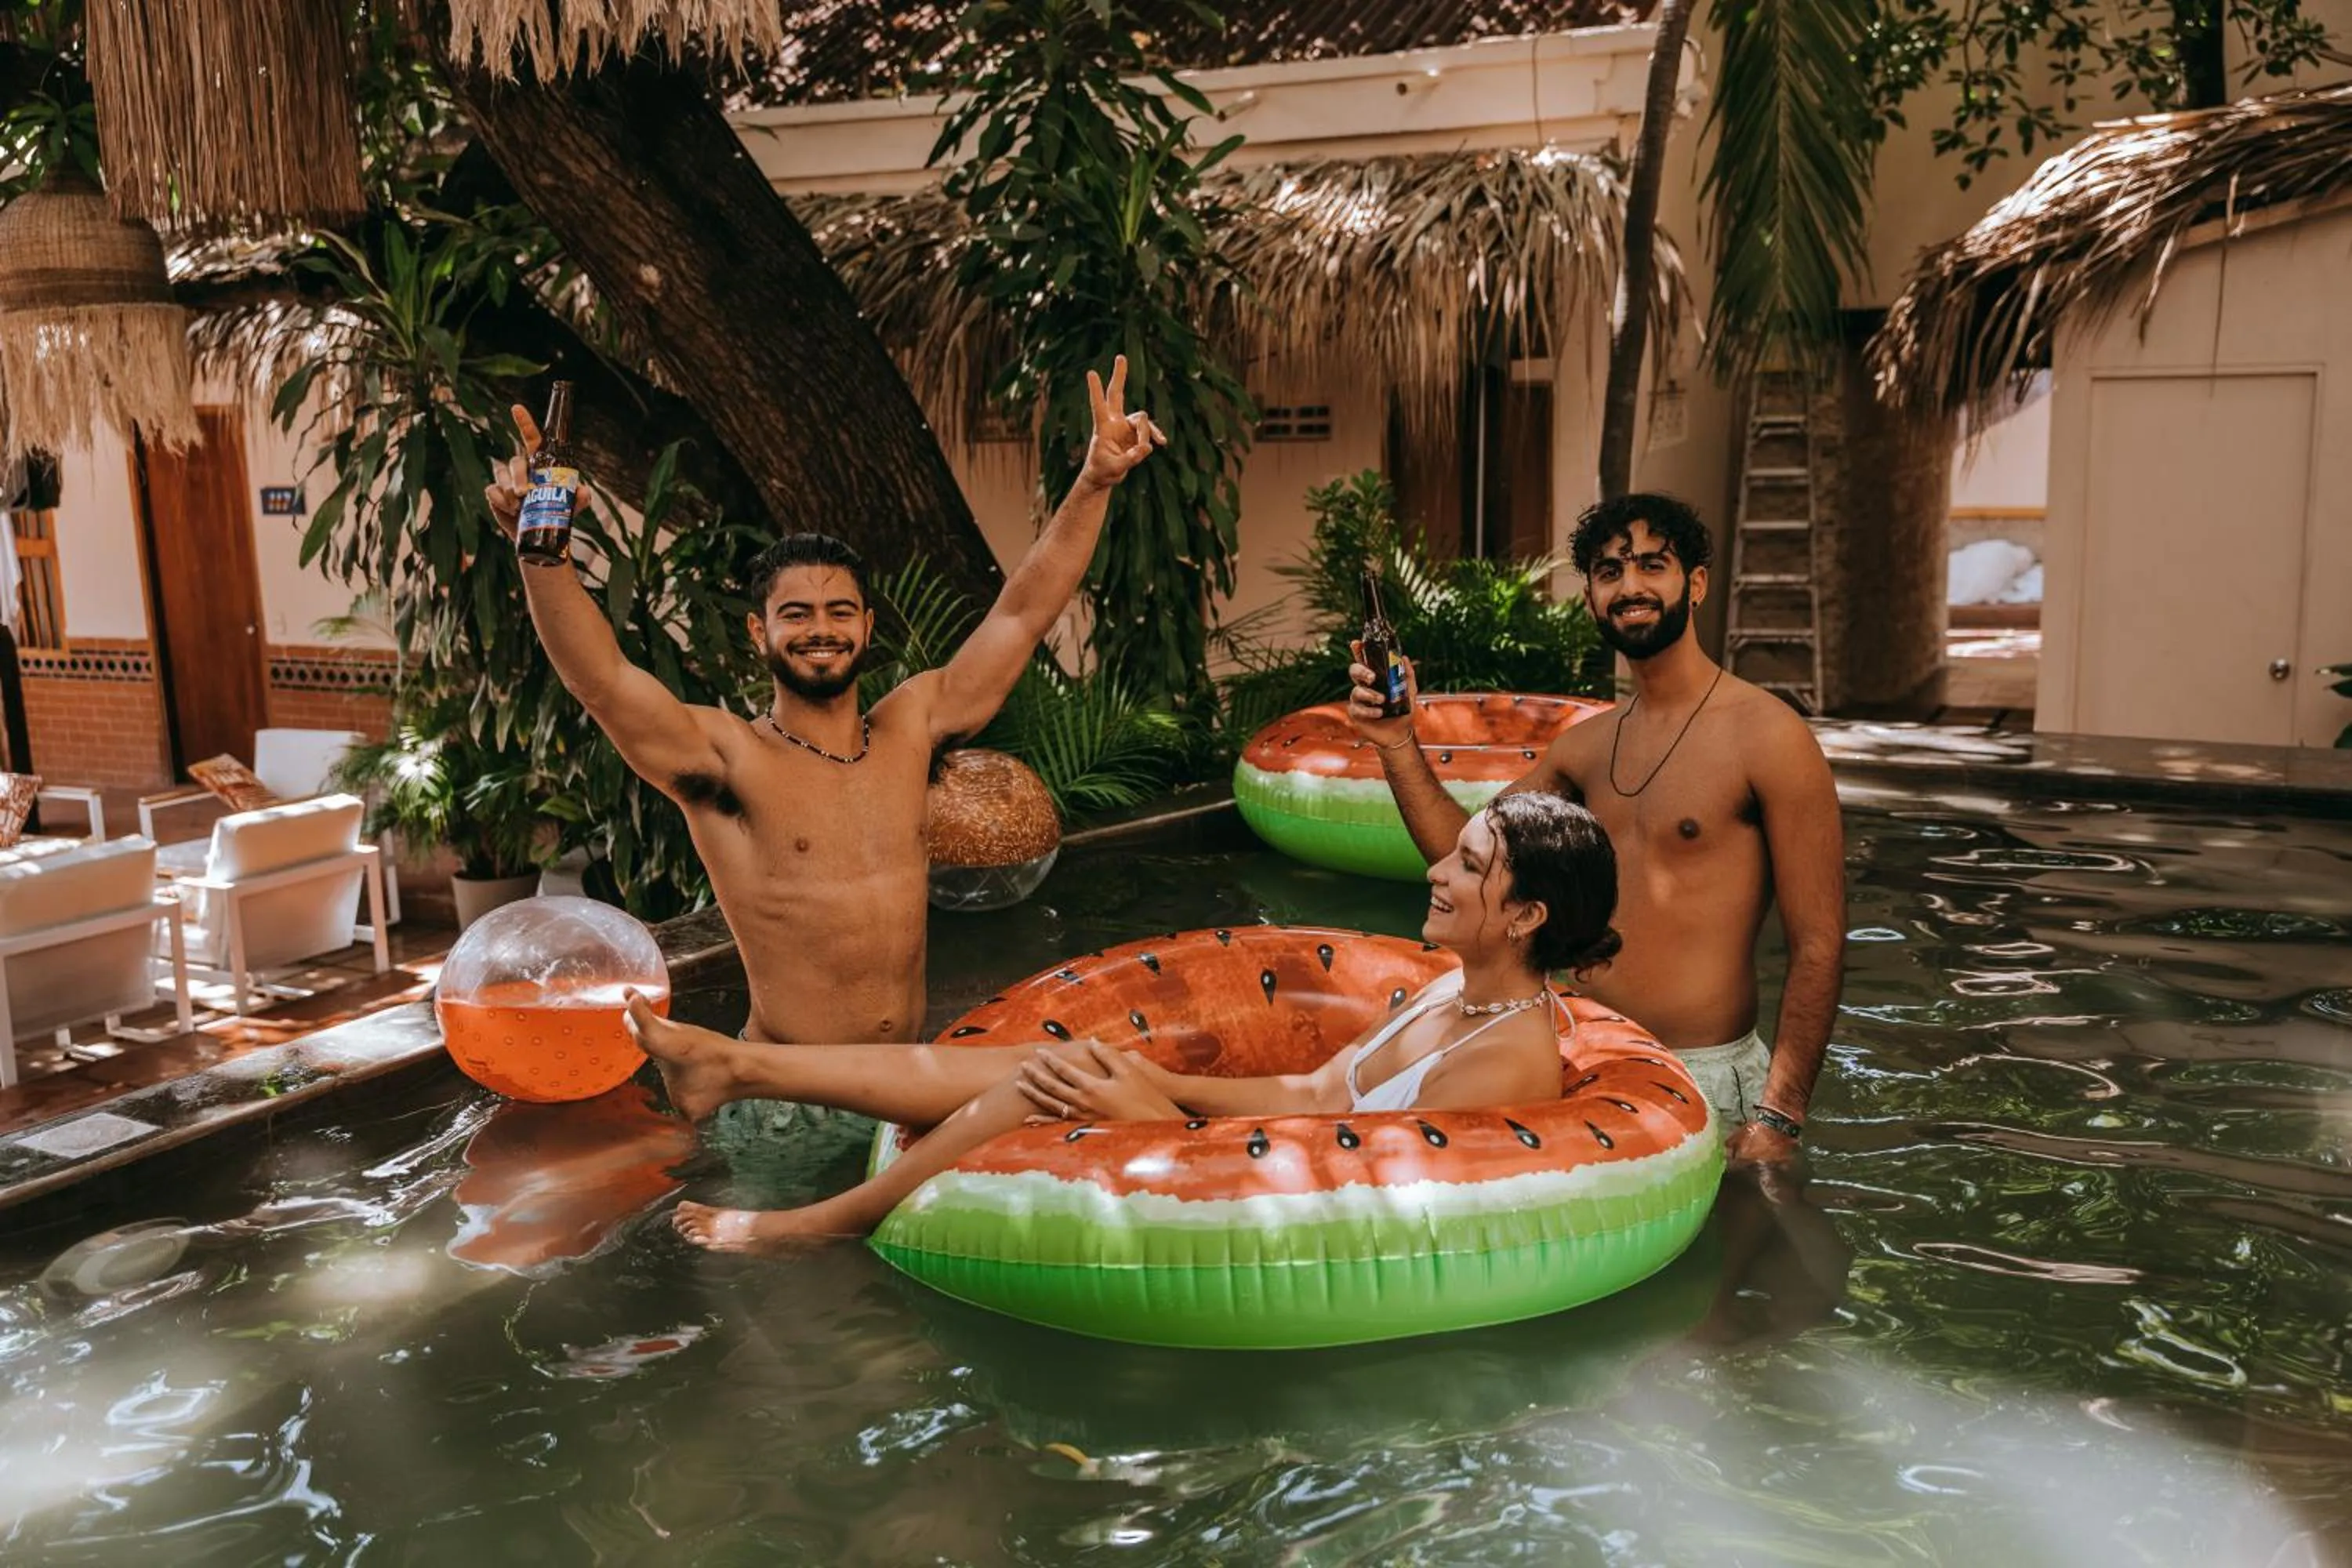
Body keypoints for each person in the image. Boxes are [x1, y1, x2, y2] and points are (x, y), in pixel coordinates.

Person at [483, 360, 1163, 1058]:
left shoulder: (912, 728)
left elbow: (1019, 617)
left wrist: (1096, 481)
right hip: (790, 1100)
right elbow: (601, 679)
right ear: (761, 632)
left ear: (867, 627)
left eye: (840, 612)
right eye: (797, 614)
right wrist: (543, 553)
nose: (821, 630)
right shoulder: (728, 761)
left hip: (904, 1075)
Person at [624, 791, 1622, 1253]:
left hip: (1269, 1191)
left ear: (1529, 914)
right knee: (1072, 1058)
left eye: (1470, 865)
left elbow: (1354, 1172)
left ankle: (819, 1222)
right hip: (1263, 1140)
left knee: (1042, 1084)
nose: (1439, 872)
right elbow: (1316, 1092)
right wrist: (1155, 1083)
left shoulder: (1510, 1058)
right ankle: (737, 1069)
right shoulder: (1454, 986)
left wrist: (1167, 1117)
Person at [1346, 492, 1846, 1165]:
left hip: (1698, 1078)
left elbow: (1818, 942)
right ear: (1590, 597)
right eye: (1610, 572)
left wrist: (1779, 1119)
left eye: (1651, 566)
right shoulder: (1585, 748)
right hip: (1578, 1057)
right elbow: (1467, 861)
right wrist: (1396, 742)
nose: (1630, 586)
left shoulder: (1770, 738)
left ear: (1695, 584)